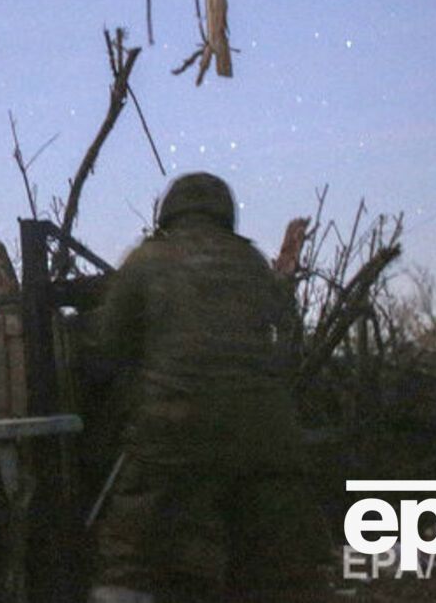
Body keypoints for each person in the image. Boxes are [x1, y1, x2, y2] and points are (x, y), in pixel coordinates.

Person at [79, 173, 330, 603]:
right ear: (224, 213)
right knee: (270, 557)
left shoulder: (147, 258)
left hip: (176, 425)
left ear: (168, 212)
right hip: (266, 433)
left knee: (132, 543)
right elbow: (279, 319)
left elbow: (108, 343)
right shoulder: (251, 261)